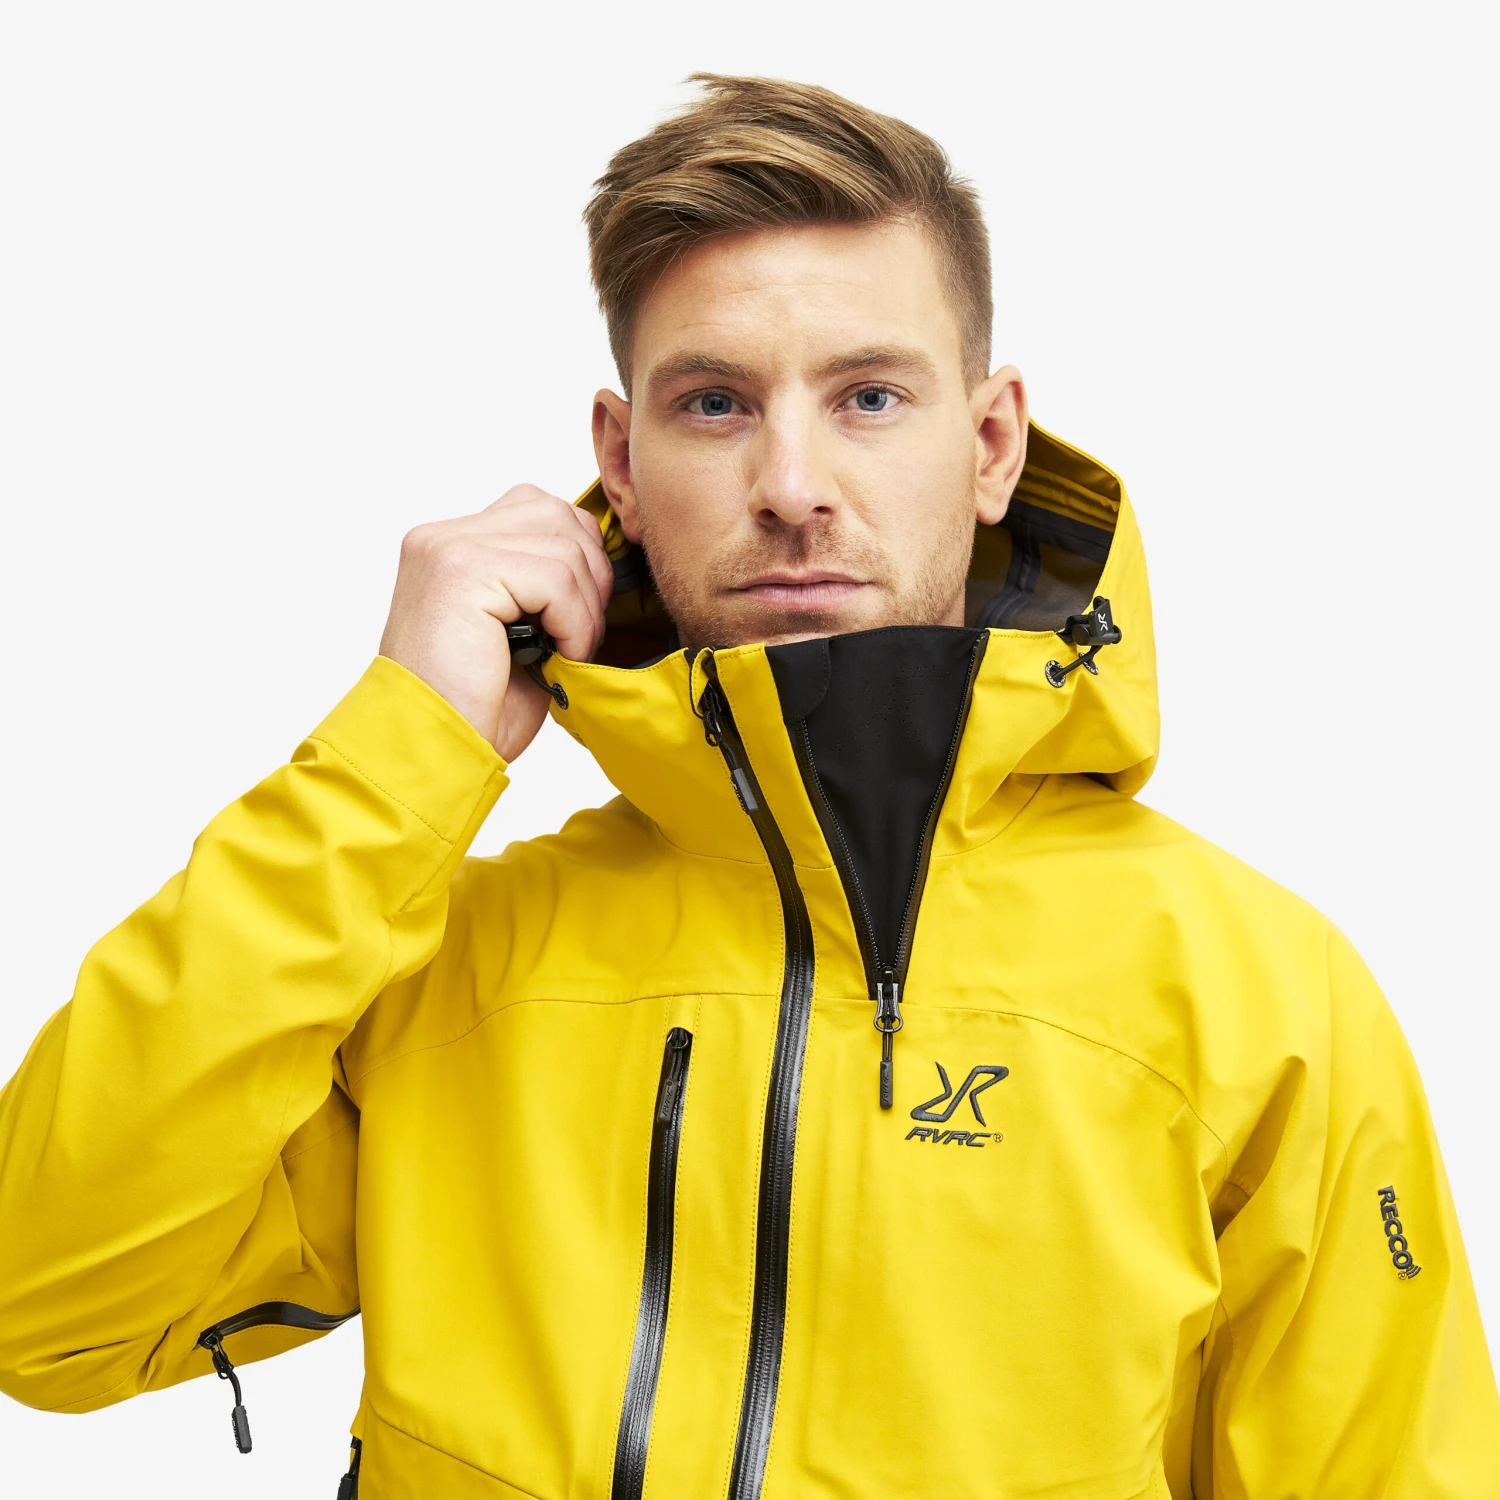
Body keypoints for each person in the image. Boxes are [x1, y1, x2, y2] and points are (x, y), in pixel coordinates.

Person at [0, 72, 1494, 1500]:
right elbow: (40, 1302)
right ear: (620, 459)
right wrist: (403, 751)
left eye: (870, 398)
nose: (791, 486)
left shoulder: (1258, 996)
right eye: (715, 404)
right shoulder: (443, 970)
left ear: (989, 444)